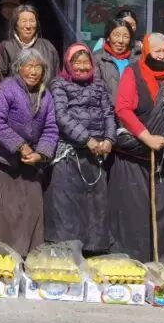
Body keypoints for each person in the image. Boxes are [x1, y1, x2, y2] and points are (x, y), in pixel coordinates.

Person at [110, 33, 164, 263]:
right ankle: (135, 261)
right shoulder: (133, 72)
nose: (161, 56)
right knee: (136, 213)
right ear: (147, 51)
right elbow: (123, 109)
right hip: (137, 155)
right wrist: (147, 137)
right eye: (156, 50)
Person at [0, 49, 58, 256]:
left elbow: (51, 128)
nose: (34, 72)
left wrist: (41, 153)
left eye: (38, 67)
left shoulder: (45, 95)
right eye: (29, 66)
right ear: (19, 68)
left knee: (30, 210)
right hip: (2, 160)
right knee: (0, 212)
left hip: (31, 162)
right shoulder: (6, 89)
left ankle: (27, 256)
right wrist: (21, 146)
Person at [47, 44, 115, 254]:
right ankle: (65, 250)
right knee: (67, 204)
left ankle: (93, 249)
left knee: (94, 204)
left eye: (86, 62)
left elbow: (108, 113)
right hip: (69, 151)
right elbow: (61, 116)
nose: (82, 67)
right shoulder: (59, 84)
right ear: (68, 64)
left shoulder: (99, 85)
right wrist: (87, 139)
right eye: (77, 63)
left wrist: (109, 139)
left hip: (96, 153)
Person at [0, 4, 60, 87]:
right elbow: (2, 78)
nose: (28, 26)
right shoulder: (7, 47)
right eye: (24, 21)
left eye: (32, 21)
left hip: (44, 94)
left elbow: (56, 77)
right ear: (16, 25)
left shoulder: (48, 47)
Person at [93, 17, 136, 98]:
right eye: (116, 35)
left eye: (126, 36)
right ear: (108, 37)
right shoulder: (98, 58)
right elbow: (95, 90)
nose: (121, 41)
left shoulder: (137, 58)